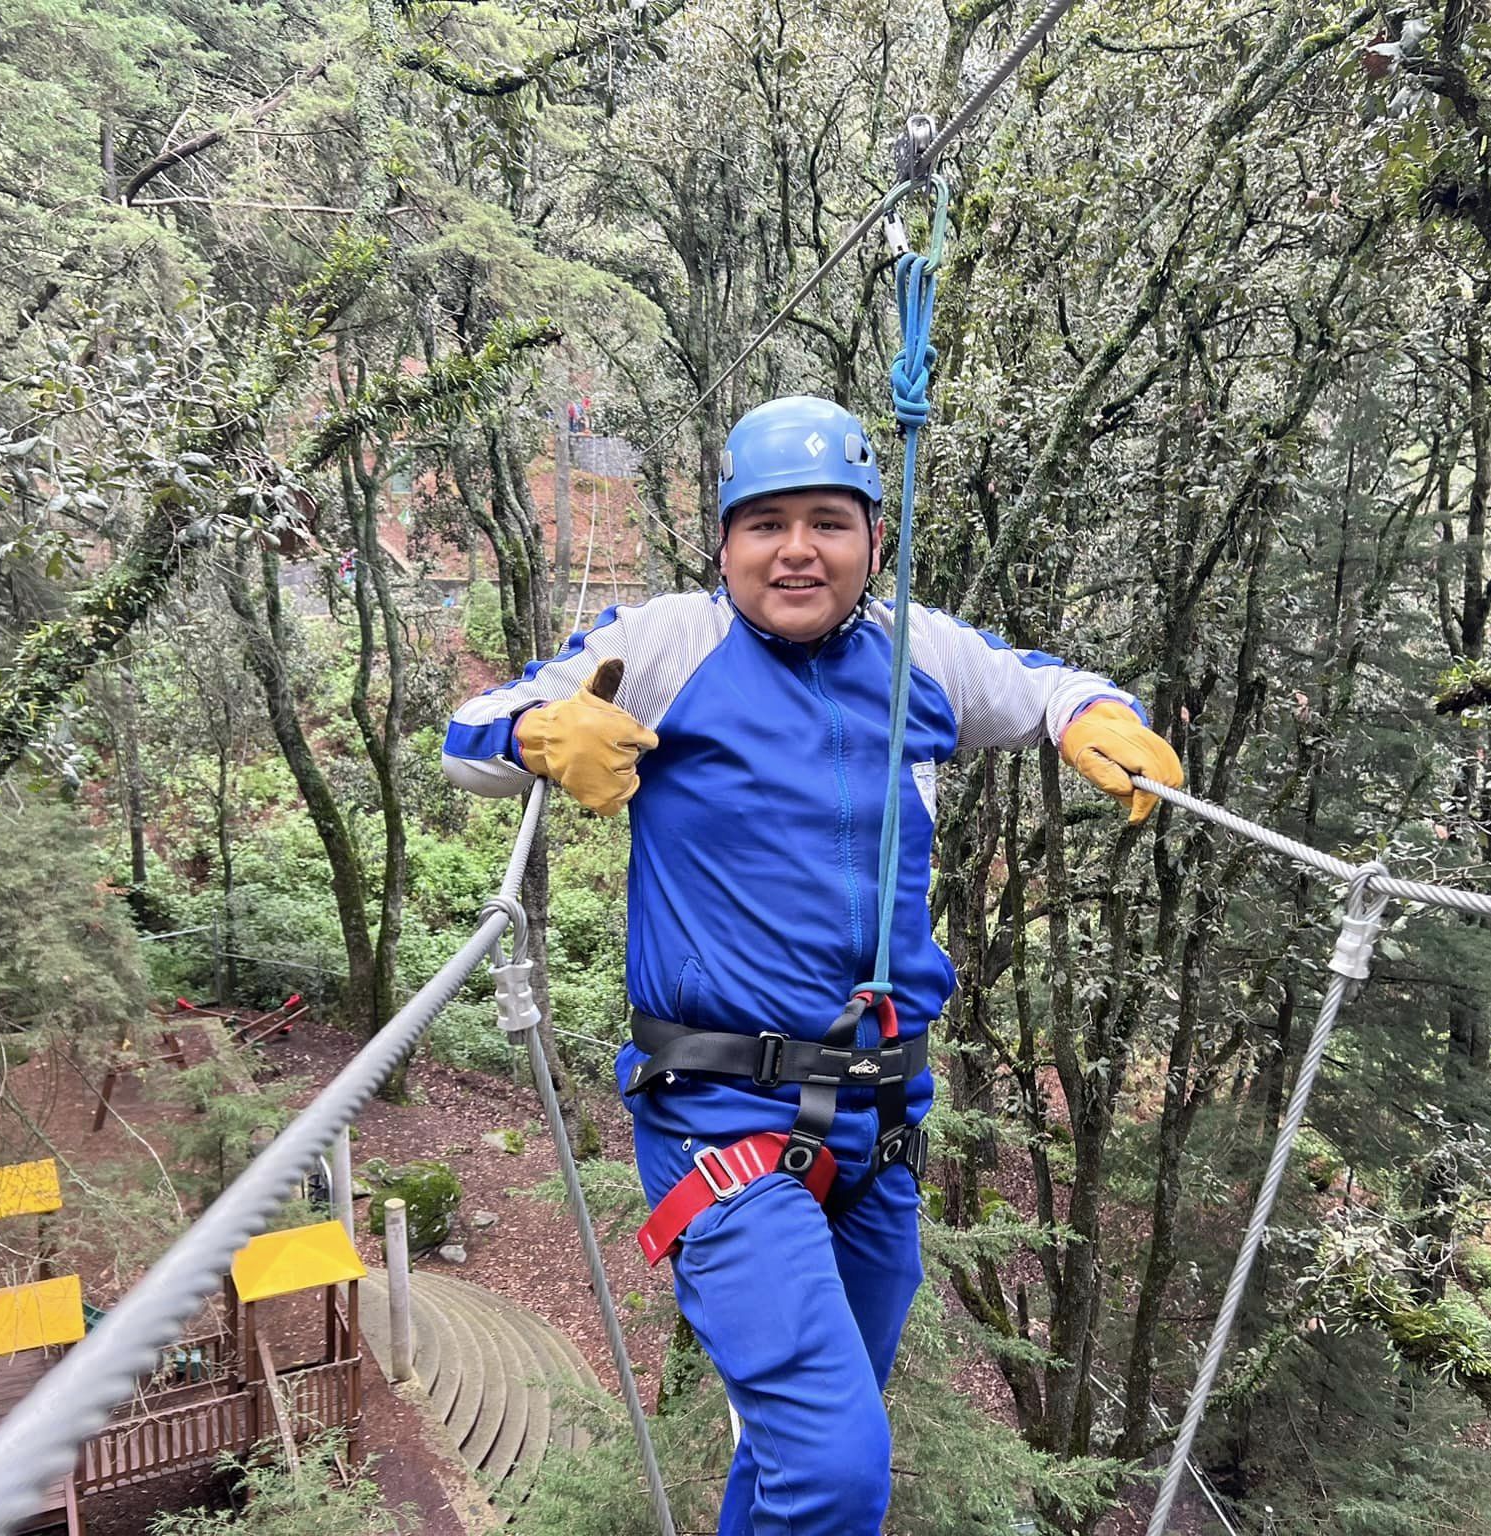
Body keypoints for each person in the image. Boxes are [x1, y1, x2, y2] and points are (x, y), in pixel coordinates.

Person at [442, 396, 1181, 1535]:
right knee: (836, 1467)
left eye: (829, 522)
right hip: (721, 1112)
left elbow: (1037, 685)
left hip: (880, 1126)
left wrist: (1095, 712)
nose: (797, 549)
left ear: (873, 541)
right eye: (765, 523)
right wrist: (541, 736)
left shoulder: (915, 654)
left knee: (805, 1447)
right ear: (724, 545)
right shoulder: (667, 646)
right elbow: (475, 728)